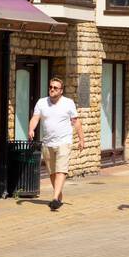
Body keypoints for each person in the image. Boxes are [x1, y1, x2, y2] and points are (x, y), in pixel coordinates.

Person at [28, 77, 85, 211]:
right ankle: (59, 194)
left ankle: (54, 199)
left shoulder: (68, 103)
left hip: (64, 142)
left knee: (61, 170)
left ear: (61, 91)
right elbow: (35, 118)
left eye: (55, 88)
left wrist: (81, 139)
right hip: (48, 142)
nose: (52, 89)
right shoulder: (42, 103)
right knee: (52, 172)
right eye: (50, 87)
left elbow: (76, 121)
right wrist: (31, 129)